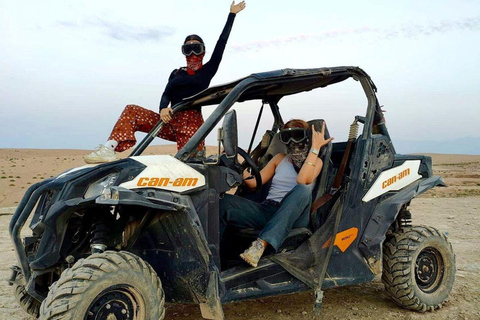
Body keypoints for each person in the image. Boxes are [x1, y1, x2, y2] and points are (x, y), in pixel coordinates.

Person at [84, 1, 247, 164]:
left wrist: (231, 15)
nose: (192, 53)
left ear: (203, 51)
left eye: (196, 48)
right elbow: (166, 93)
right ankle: (108, 149)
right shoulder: (176, 73)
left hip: (192, 124)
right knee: (131, 111)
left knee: (189, 166)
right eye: (187, 49)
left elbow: (222, 42)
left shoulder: (208, 70)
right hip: (170, 118)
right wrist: (162, 108)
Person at [219, 119, 334, 267]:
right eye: (287, 136)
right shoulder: (279, 158)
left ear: (306, 137)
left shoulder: (316, 161)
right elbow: (254, 183)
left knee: (302, 189)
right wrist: (239, 168)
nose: (292, 141)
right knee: (222, 201)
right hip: (269, 210)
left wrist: (315, 148)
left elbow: (302, 179)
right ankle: (215, 255)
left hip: (296, 216)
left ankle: (261, 245)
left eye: (297, 135)